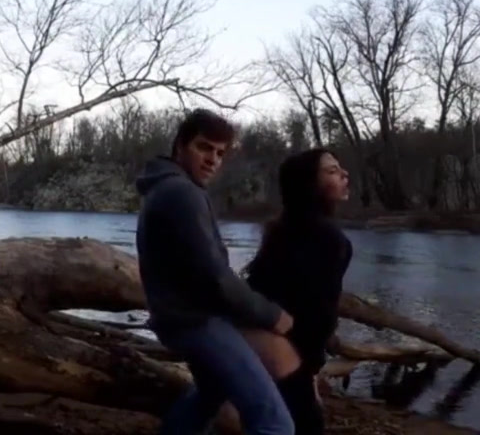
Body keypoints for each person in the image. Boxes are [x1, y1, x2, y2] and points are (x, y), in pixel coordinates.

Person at [135, 108, 296, 435]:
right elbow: (216, 278)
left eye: (220, 153)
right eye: (204, 147)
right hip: (196, 322)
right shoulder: (182, 193)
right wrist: (271, 315)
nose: (213, 160)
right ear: (180, 145)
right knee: (275, 424)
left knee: (209, 396)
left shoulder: (165, 188)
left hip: (177, 318)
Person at [243, 148, 354, 435]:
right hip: (281, 343)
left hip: (250, 334)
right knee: (306, 424)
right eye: (332, 171)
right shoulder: (329, 238)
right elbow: (319, 314)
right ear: (309, 184)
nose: (344, 174)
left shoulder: (282, 228)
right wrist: (312, 370)